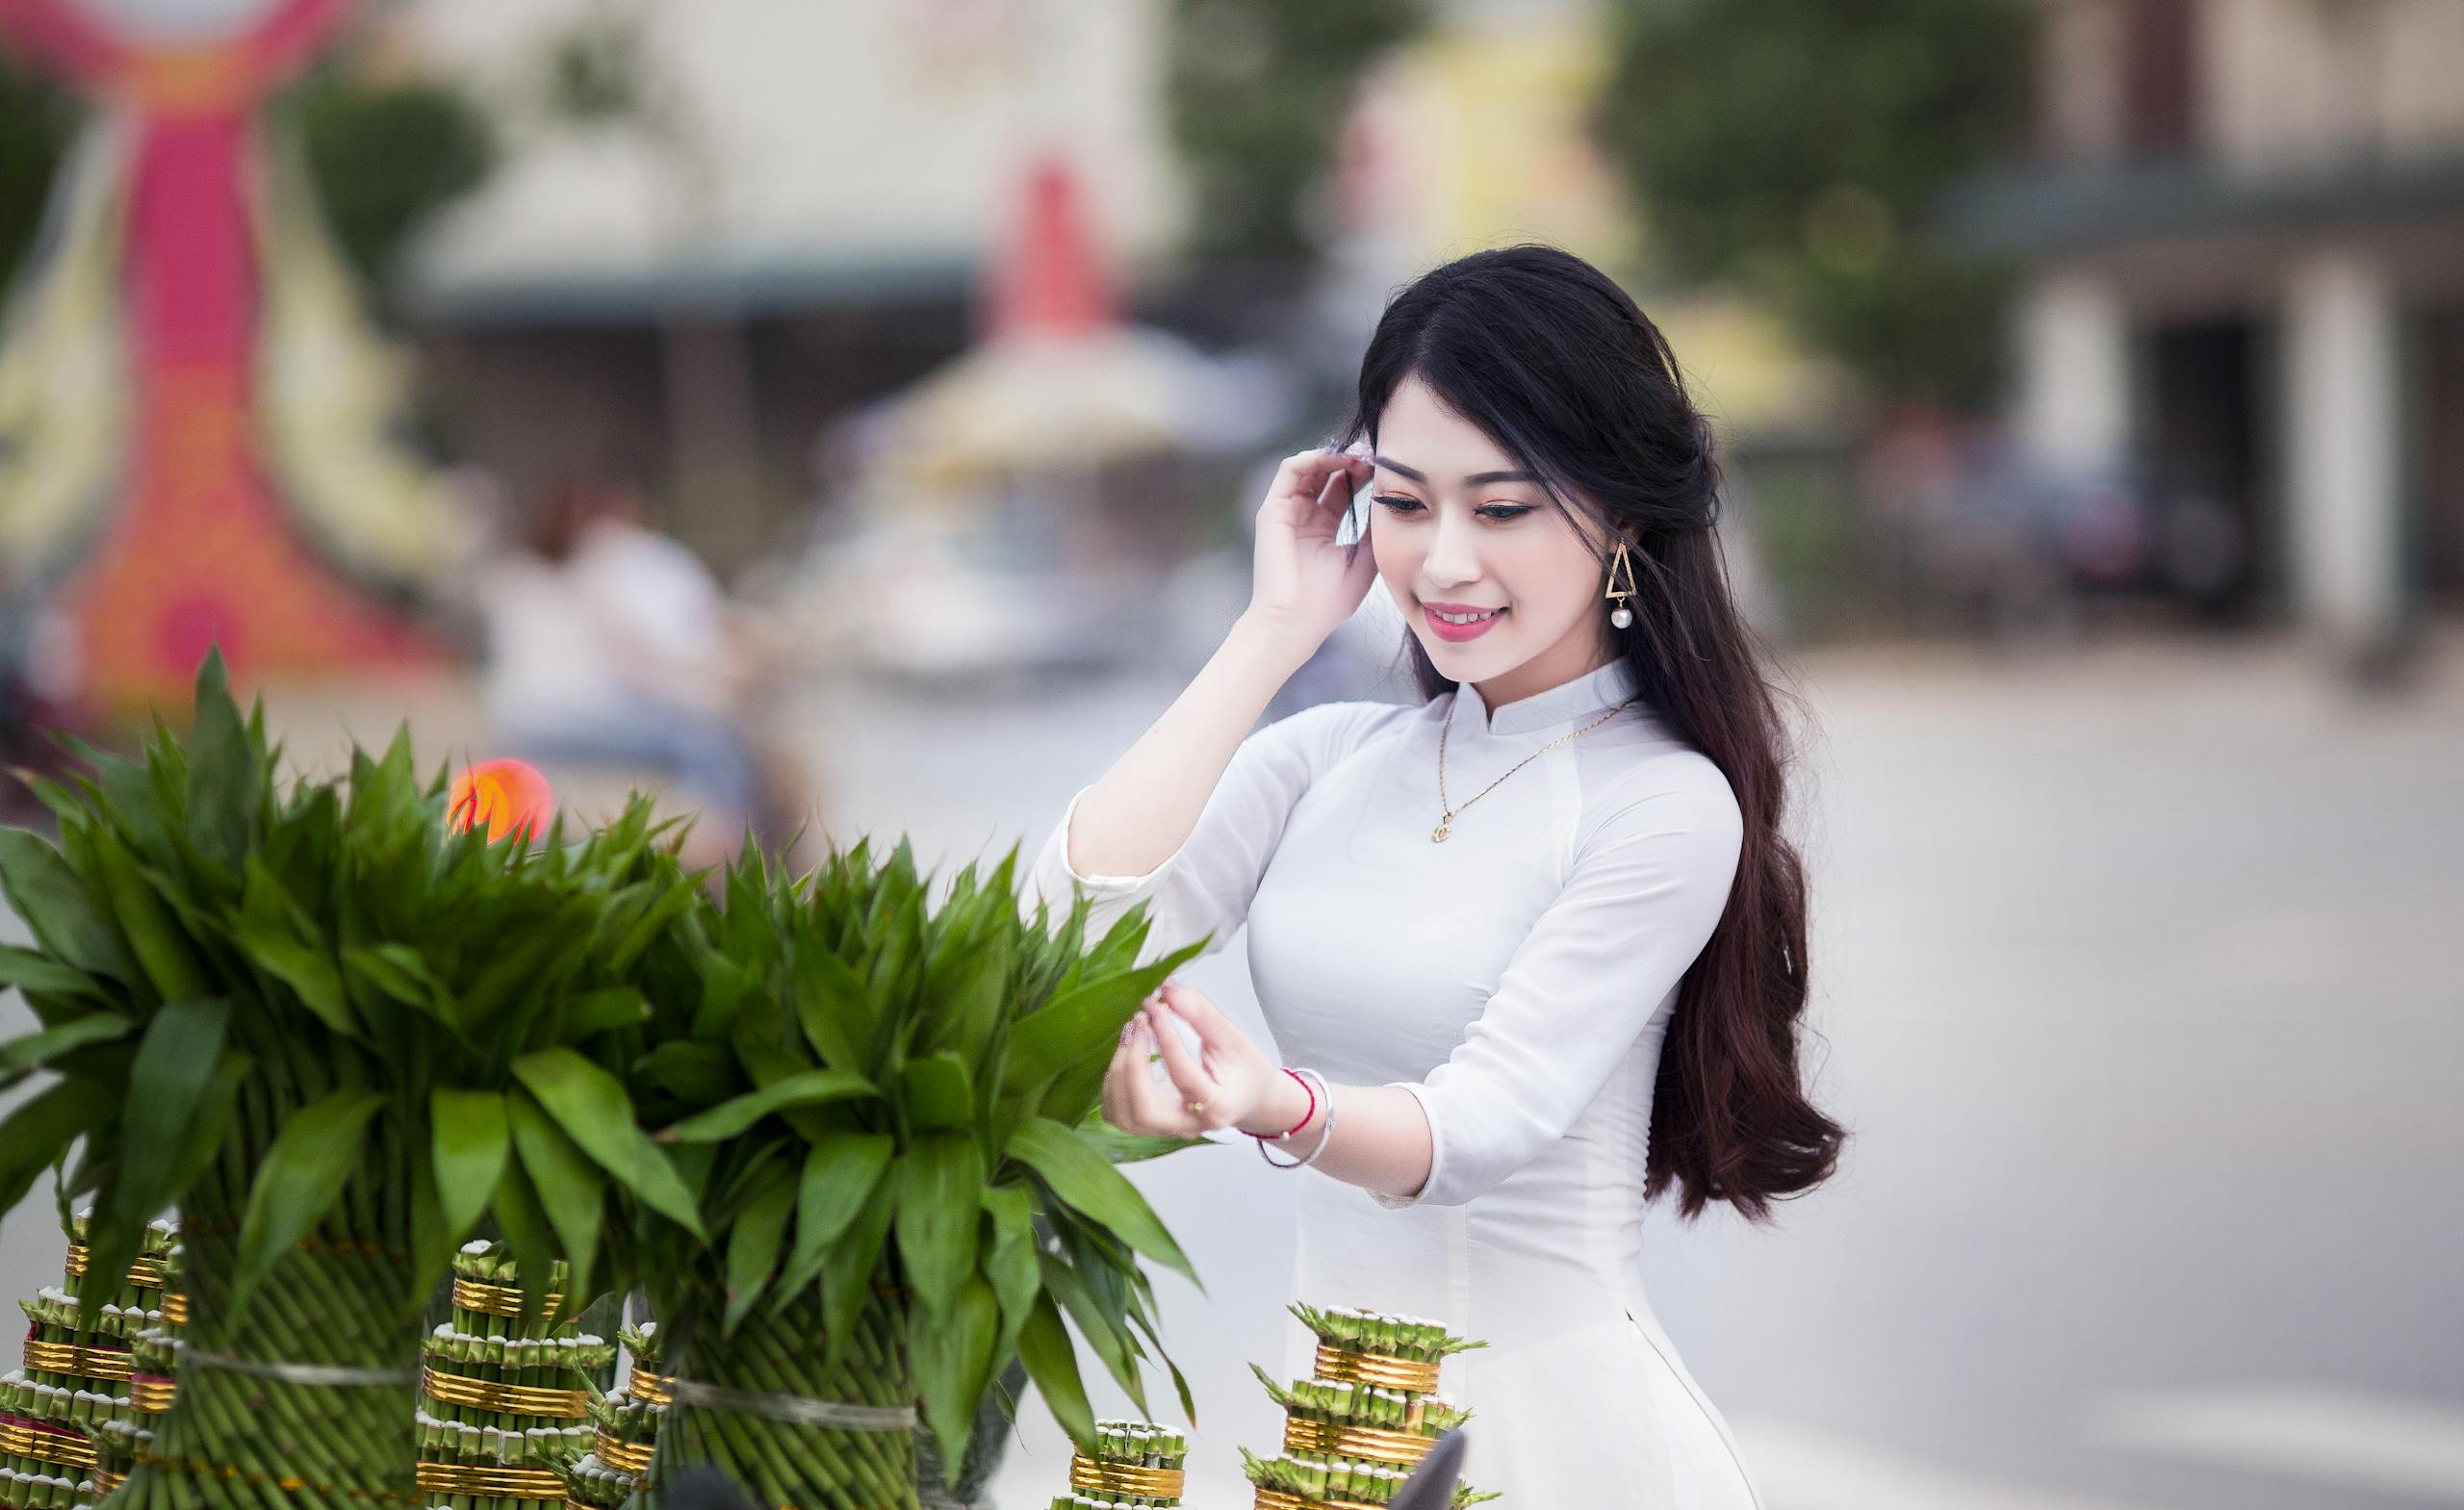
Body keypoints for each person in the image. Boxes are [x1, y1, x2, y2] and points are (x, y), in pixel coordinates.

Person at [1022, 245, 1845, 1507]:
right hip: (1339, 1435)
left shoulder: (1663, 804)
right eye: (1406, 504)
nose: (1445, 563)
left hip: (1564, 1446)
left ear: (1624, 516)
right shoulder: (1328, 756)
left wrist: (1273, 1101)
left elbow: (1479, 1127)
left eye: (1501, 509)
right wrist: (1272, 630)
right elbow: (1063, 940)